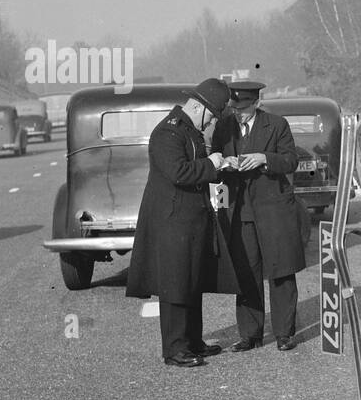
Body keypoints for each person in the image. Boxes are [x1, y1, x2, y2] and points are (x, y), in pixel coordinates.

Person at [126, 78, 233, 368]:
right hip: (172, 221)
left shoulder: (189, 130)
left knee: (192, 281)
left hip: (192, 218)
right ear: (198, 106)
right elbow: (179, 172)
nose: (211, 122)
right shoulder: (168, 133)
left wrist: (217, 166)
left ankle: (193, 341)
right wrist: (212, 164)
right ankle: (174, 349)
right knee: (175, 282)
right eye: (211, 116)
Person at [211, 80, 307, 352]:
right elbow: (215, 157)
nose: (237, 112)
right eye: (234, 107)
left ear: (256, 104)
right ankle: (249, 334)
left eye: (243, 108)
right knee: (245, 272)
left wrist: (264, 158)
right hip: (240, 210)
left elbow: (290, 160)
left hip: (274, 209)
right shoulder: (224, 126)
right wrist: (225, 163)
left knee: (281, 270)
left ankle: (284, 333)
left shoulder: (277, 125)